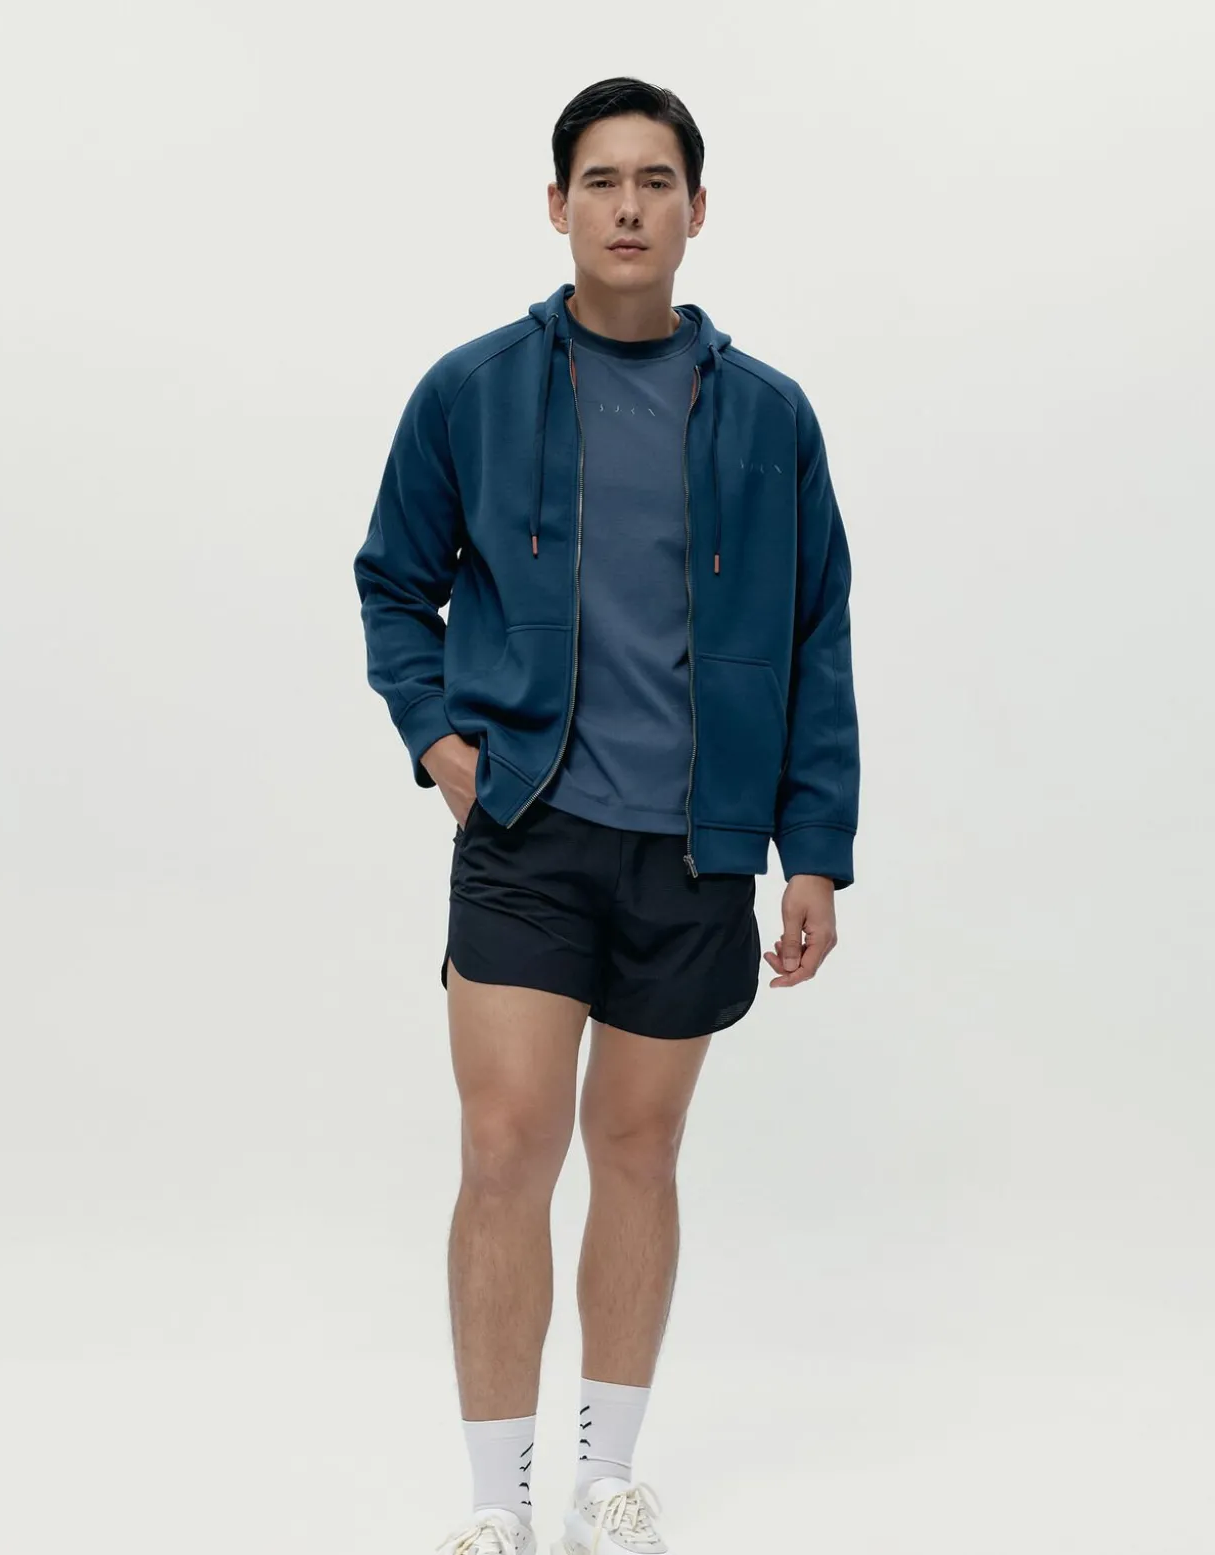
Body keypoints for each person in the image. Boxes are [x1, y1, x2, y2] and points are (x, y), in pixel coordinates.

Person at [353, 76, 860, 1555]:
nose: (627, 206)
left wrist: (815, 847)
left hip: (698, 843)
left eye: (654, 182)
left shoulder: (768, 415)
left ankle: (604, 1477)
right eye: (600, 180)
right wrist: (442, 744)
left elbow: (817, 635)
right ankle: (493, 1498)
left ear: (697, 210)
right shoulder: (473, 389)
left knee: (639, 1152)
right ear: (557, 204)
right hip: (528, 831)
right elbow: (393, 582)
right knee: (506, 1145)